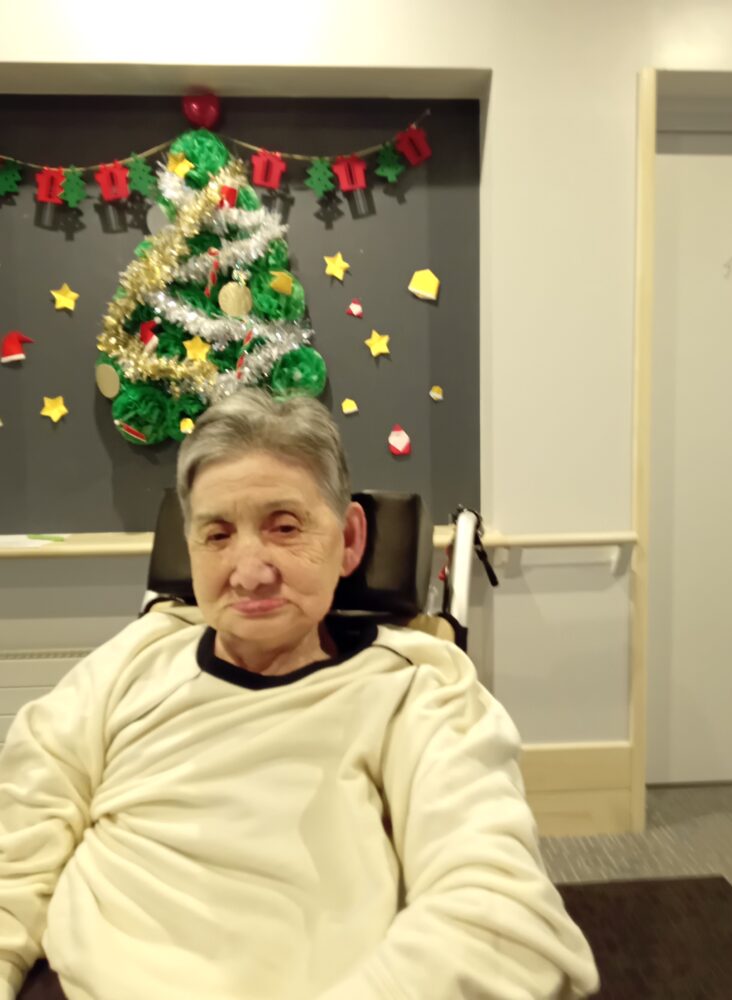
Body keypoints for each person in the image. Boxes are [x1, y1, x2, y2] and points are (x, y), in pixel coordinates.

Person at [0, 390, 599, 1000]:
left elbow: (503, 923)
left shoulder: (418, 693)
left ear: (350, 540)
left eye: (285, 527)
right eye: (217, 534)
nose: (249, 572)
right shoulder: (130, 663)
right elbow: (13, 854)